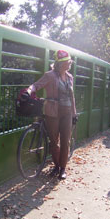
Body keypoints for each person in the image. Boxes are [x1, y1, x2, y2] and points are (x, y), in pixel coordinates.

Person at [26, 50, 76, 180]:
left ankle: (63, 168)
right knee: (54, 142)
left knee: (66, 141)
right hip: (53, 112)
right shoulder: (49, 75)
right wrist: (28, 91)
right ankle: (56, 166)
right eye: (66, 62)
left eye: (69, 61)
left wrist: (74, 113)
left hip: (67, 112)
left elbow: (72, 96)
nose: (69, 64)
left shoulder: (70, 77)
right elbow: (36, 85)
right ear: (59, 64)